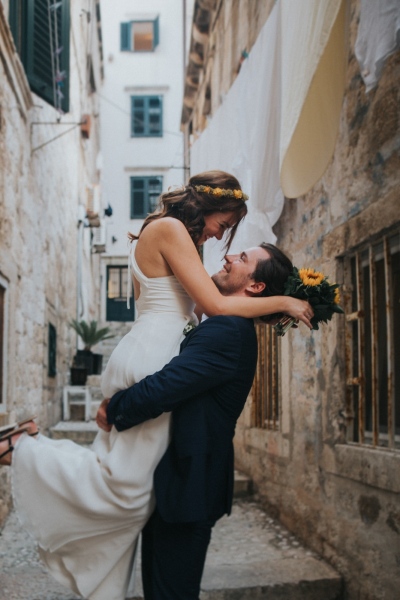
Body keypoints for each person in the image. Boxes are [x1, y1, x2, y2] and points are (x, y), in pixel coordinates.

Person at [0, 171, 313, 600]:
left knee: (128, 484)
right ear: (207, 206)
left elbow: (211, 310)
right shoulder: (170, 231)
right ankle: (26, 452)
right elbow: (216, 305)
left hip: (159, 346)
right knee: (123, 486)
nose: (220, 240)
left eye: (231, 240)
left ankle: (33, 454)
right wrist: (284, 302)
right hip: (158, 351)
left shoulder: (176, 237)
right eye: (223, 225)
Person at [96, 243, 297, 600]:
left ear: (255, 287)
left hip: (190, 483)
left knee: (172, 593)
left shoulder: (228, 331)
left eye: (242, 259)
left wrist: (114, 409)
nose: (229, 257)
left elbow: (167, 386)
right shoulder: (225, 324)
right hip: (179, 478)